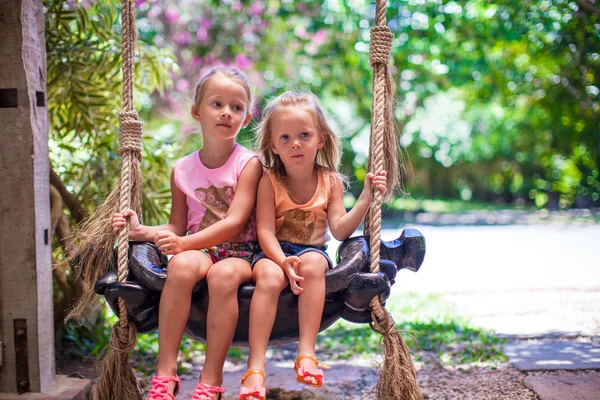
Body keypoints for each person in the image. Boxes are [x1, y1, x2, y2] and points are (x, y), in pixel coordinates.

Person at [111, 66, 263, 400]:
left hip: (241, 252)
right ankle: (166, 373)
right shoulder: (182, 169)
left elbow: (236, 222)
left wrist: (182, 243)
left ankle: (211, 380)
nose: (227, 112)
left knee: (223, 277)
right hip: (199, 249)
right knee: (179, 267)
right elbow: (177, 226)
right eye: (217, 104)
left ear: (247, 119)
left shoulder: (248, 164)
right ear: (197, 112)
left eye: (237, 107)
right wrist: (141, 231)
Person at [238, 91, 387, 399]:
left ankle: (306, 352)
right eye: (286, 137)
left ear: (320, 139)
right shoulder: (269, 180)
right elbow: (265, 230)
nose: (295, 143)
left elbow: (341, 229)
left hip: (311, 252)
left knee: (315, 264)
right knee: (267, 277)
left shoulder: (329, 181)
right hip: (273, 251)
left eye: (304, 135)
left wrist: (366, 198)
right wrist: (281, 261)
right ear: (273, 146)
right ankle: (255, 367)